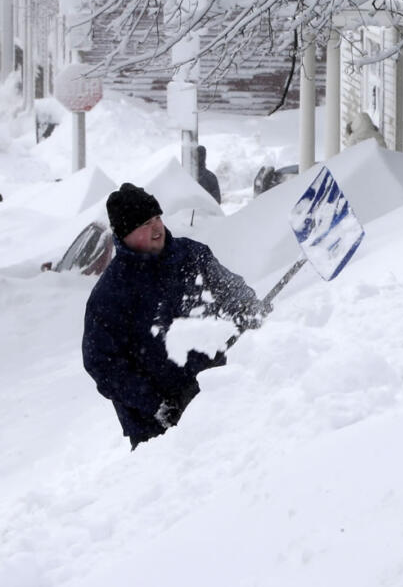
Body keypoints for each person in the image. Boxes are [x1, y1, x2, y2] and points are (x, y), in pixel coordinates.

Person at [82, 183, 269, 448]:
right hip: (156, 427)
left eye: (157, 217)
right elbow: (101, 363)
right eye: (145, 223)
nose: (157, 227)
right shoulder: (111, 294)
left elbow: (230, 290)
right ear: (126, 233)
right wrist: (155, 403)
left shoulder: (191, 255)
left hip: (218, 395)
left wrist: (249, 308)